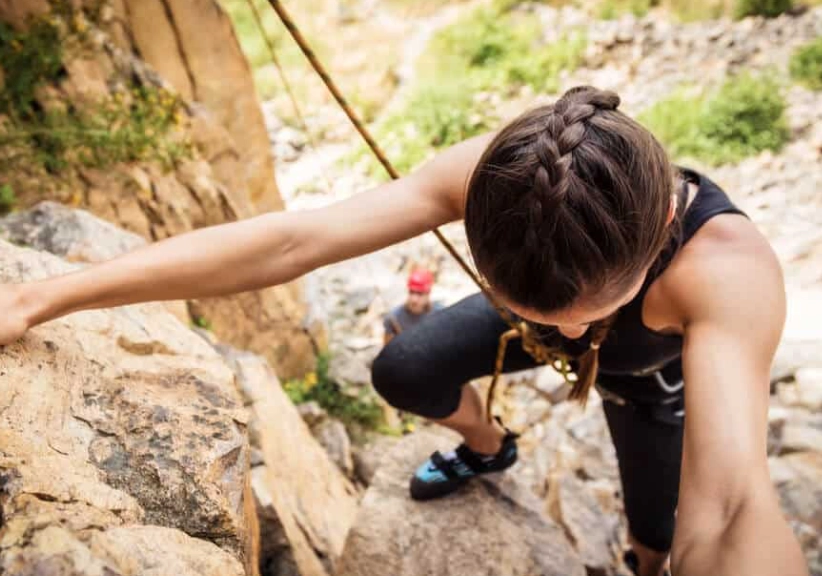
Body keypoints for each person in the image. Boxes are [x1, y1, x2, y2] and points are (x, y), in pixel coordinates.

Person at [0, 86, 807, 576]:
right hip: (540, 318)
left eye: (583, 312)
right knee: (403, 368)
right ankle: (489, 445)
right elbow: (292, 241)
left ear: (659, 232)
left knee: (660, 534)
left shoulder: (726, 272)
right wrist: (43, 298)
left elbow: (734, 506)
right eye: (529, 306)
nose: (560, 330)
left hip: (649, 380)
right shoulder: (506, 176)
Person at [382, 268, 443, 345]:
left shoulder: (440, 314)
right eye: (411, 292)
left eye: (420, 294)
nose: (414, 299)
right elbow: (387, 348)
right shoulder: (393, 318)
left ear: (428, 293)